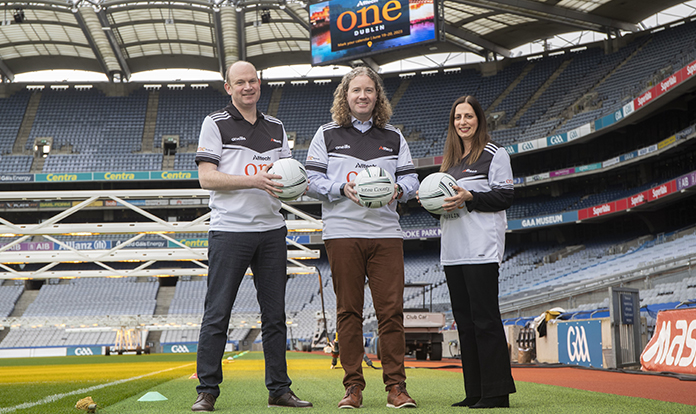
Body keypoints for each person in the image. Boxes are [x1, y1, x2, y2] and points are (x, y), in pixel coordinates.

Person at [192, 61, 312, 412]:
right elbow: (207, 178)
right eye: (240, 82)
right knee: (217, 313)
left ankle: (279, 390)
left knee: (275, 316)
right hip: (229, 229)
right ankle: (207, 391)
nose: (248, 87)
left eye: (253, 81)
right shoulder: (215, 123)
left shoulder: (276, 126)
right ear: (228, 88)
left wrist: (296, 185)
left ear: (260, 84)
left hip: (271, 231)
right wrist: (254, 180)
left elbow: (288, 176)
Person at [305, 66, 419, 409]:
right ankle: (353, 386)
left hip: (386, 233)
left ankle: (396, 387)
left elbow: (412, 180)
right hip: (342, 232)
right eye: (356, 90)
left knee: (391, 312)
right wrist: (342, 188)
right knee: (348, 312)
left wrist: (397, 189)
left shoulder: (394, 136)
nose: (363, 96)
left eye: (369, 90)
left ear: (377, 96)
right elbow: (311, 181)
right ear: (345, 95)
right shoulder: (326, 134)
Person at [430, 95, 516, 408]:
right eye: (457, 117)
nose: (462, 122)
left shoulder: (495, 153)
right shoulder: (450, 162)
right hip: (453, 250)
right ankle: (475, 391)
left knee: (485, 320)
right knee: (465, 325)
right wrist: (431, 202)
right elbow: (444, 206)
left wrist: (472, 197)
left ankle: (496, 393)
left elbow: (505, 196)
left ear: (479, 119)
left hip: (481, 247)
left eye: (468, 116)